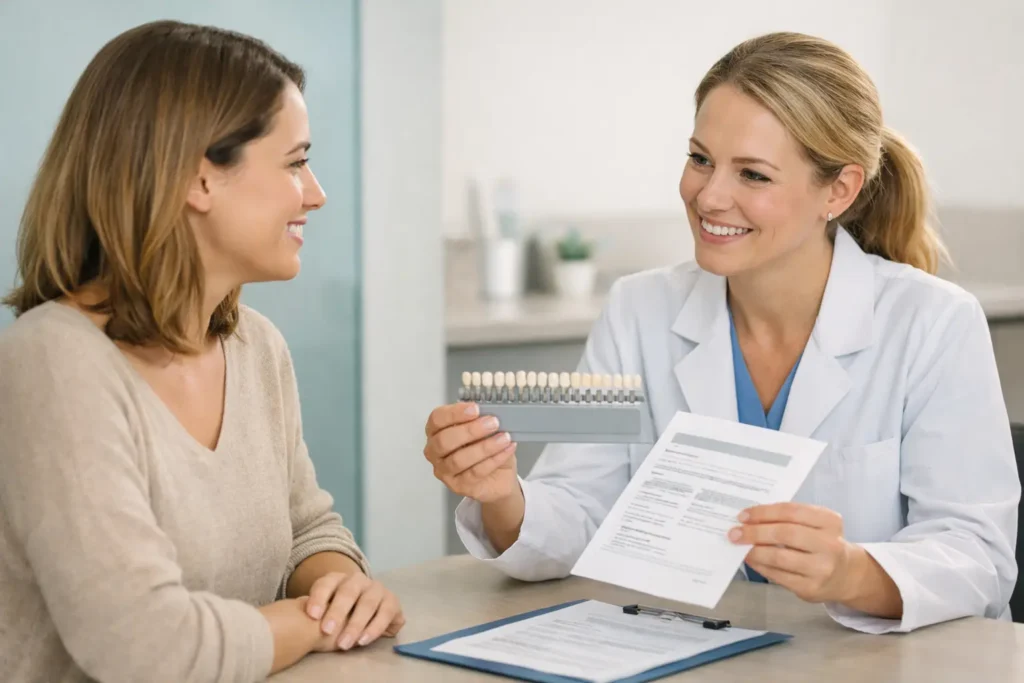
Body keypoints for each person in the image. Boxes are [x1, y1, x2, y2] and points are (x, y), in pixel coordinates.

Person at [424, 31, 1019, 634]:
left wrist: (852, 572)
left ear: (838, 190)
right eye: (700, 159)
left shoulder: (934, 323)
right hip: (682, 650)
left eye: (753, 175)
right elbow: (578, 512)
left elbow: (978, 556)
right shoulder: (638, 308)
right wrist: (501, 494)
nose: (709, 196)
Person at [0, 20, 404, 683]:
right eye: (296, 162)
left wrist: (342, 587)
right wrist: (312, 622)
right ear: (200, 180)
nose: (316, 193)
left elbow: (307, 529)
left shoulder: (257, 348)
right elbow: (147, 649)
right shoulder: (50, 366)